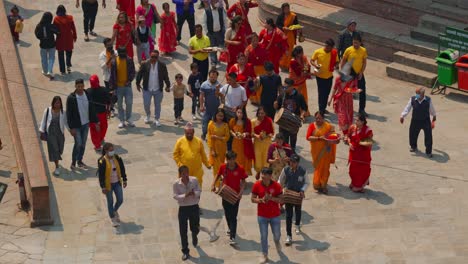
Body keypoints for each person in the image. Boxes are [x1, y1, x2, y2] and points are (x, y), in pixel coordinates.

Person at [211, 150, 246, 245]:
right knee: (227, 213)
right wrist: (213, 184)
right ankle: (230, 228)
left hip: (235, 195)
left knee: (233, 216)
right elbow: (217, 175)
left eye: (233, 159)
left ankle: (233, 237)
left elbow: (243, 181)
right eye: (229, 160)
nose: (231, 162)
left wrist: (241, 193)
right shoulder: (223, 167)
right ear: (227, 159)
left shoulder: (240, 168)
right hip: (225, 193)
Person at [251, 167, 283, 264]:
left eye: (265, 176)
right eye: (262, 176)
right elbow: (252, 199)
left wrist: (271, 198)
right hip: (262, 216)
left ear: (270, 176)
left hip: (275, 215)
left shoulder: (277, 186)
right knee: (263, 236)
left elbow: (281, 200)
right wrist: (261, 200)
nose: (263, 178)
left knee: (277, 235)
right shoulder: (257, 185)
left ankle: (277, 241)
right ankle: (265, 254)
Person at [66, 79, 99, 170]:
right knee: (78, 143)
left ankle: (79, 160)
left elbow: (92, 108)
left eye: (81, 86)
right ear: (75, 86)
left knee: (83, 144)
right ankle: (73, 162)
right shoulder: (71, 98)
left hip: (86, 124)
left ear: (84, 86)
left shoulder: (87, 94)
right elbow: (69, 114)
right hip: (76, 125)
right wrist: (71, 128)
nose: (80, 88)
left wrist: (96, 122)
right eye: (78, 86)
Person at [278, 154, 310, 245]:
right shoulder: (286, 170)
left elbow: (307, 182)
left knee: (298, 210)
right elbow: (280, 181)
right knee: (289, 215)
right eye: (291, 161)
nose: (292, 163)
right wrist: (281, 190)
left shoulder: (303, 171)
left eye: (294, 162)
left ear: (298, 163)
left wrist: (303, 190)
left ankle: (297, 225)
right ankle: (289, 235)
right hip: (288, 194)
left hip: (298, 195)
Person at [136, 49, 170, 126]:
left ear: (158, 57)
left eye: (155, 57)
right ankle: (148, 115)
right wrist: (137, 84)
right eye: (152, 57)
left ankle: (157, 119)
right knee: (146, 104)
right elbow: (139, 74)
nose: (153, 58)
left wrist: (168, 85)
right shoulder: (144, 64)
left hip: (158, 89)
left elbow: (166, 76)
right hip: (147, 89)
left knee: (158, 105)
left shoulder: (162, 65)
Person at [173, 165, 201, 261]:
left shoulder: (194, 180)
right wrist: (185, 195)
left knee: (196, 227)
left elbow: (199, 190)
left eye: (187, 173)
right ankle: (185, 251)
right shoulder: (176, 184)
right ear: (180, 174)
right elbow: (175, 196)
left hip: (194, 207)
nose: (186, 175)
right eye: (183, 173)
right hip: (183, 209)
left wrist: (194, 193)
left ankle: (194, 234)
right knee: (183, 231)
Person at [306, 111, 337, 194]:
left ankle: (324, 185)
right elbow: (308, 137)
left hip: (326, 151)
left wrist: (334, 140)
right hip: (316, 151)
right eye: (316, 118)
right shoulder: (312, 126)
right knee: (318, 167)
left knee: (325, 168)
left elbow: (333, 136)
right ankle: (317, 183)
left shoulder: (328, 126)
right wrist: (319, 138)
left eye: (320, 118)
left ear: (323, 119)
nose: (318, 120)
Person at [400, 87, 436, 158]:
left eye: (418, 94)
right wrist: (402, 116)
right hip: (415, 120)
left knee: (428, 136)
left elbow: (432, 110)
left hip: (425, 121)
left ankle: (428, 152)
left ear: (422, 94)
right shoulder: (412, 99)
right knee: (412, 134)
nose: (416, 95)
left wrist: (433, 118)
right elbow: (407, 108)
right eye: (416, 93)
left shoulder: (428, 100)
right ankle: (413, 146)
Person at [274, 78, 307, 152]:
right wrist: (275, 105)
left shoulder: (299, 96)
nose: (284, 88)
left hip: (293, 122)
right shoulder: (282, 95)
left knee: (293, 139)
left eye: (286, 87)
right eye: (284, 87)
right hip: (283, 122)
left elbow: (304, 108)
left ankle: (292, 154)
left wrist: (302, 115)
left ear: (292, 87)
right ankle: (284, 154)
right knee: (283, 140)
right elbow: (277, 107)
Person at [98, 142, 127, 227]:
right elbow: (101, 176)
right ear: (106, 151)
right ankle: (112, 218)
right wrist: (103, 187)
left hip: (117, 182)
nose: (112, 151)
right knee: (110, 201)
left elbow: (122, 169)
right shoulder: (102, 161)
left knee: (120, 199)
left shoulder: (117, 158)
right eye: (110, 150)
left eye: (113, 150)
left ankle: (114, 210)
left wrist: (124, 179)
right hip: (108, 185)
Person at [173, 122, 211, 187]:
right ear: (185, 133)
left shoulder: (198, 141)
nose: (189, 135)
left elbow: (203, 154)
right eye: (188, 133)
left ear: (194, 133)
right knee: (185, 188)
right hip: (185, 171)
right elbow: (175, 155)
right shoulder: (179, 141)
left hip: (197, 170)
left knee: (197, 188)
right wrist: (180, 165)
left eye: (191, 133)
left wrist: (207, 164)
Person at [340, 34, 368, 116]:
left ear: (360, 42)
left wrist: (361, 72)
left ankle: (361, 110)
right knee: (346, 92)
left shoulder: (363, 50)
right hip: (349, 73)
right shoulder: (348, 50)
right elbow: (343, 61)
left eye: (356, 43)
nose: (355, 44)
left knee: (362, 91)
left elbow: (364, 63)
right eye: (354, 43)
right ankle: (344, 108)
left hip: (358, 74)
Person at [109, 47, 136, 128]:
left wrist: (129, 80)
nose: (123, 54)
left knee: (129, 103)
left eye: (124, 52)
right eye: (121, 53)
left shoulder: (129, 60)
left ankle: (129, 118)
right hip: (118, 87)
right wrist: (112, 88)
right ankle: (122, 120)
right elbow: (112, 75)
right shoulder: (114, 62)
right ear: (118, 53)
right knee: (120, 104)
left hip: (127, 86)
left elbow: (133, 72)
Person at [311, 38, 339, 115]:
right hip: (320, 77)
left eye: (330, 47)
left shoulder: (334, 53)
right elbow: (312, 60)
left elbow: (337, 62)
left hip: (329, 76)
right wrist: (315, 65)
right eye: (327, 46)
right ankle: (321, 111)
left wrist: (336, 66)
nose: (328, 49)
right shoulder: (318, 52)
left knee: (326, 93)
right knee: (321, 93)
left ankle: (323, 108)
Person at [39, 96, 66, 176]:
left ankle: (57, 158)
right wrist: (42, 131)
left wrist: (71, 129)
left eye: (59, 102)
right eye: (56, 102)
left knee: (60, 149)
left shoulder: (63, 112)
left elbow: (66, 122)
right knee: (55, 149)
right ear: (53, 103)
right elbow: (43, 121)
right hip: (51, 133)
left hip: (60, 133)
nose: (57, 104)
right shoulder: (47, 110)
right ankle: (57, 166)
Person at [347, 114, 373, 192]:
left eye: (357, 120)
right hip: (354, 153)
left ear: (362, 122)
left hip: (363, 154)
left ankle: (359, 187)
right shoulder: (352, 128)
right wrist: (349, 143)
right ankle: (354, 183)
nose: (355, 122)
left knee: (361, 171)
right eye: (355, 120)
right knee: (352, 170)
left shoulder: (368, 130)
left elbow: (369, 142)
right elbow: (348, 137)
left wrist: (362, 143)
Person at [87, 75, 110, 151]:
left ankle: (98, 142)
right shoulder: (103, 90)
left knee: (97, 129)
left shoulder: (88, 92)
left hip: (98, 114)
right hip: (97, 114)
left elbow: (108, 101)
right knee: (101, 128)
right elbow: (109, 101)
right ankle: (98, 142)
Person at [229, 107, 254, 175]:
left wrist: (244, 134)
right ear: (236, 113)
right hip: (235, 143)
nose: (240, 114)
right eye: (238, 112)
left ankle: (243, 176)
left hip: (244, 144)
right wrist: (234, 134)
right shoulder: (233, 120)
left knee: (243, 159)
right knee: (236, 158)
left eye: (241, 113)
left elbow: (249, 132)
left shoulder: (247, 121)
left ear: (244, 113)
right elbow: (230, 129)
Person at [207, 109, 230, 182]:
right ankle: (216, 182)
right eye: (219, 115)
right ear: (215, 115)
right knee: (216, 167)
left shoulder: (225, 125)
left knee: (221, 165)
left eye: (222, 116)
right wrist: (212, 150)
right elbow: (209, 138)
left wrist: (217, 137)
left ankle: (220, 179)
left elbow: (227, 137)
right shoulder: (211, 124)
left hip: (222, 148)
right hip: (214, 147)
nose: (220, 117)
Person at [53, 5, 77, 75]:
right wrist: (75, 37)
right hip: (68, 38)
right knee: (69, 53)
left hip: (60, 39)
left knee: (61, 55)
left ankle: (63, 70)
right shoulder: (70, 18)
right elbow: (73, 28)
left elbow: (54, 28)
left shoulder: (56, 19)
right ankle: (68, 65)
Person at [203, 0, 227, 67]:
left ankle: (219, 60)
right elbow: (204, 22)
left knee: (220, 47)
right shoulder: (206, 11)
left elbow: (225, 20)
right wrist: (207, 32)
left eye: (217, 1)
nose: (216, 3)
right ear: (211, 2)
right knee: (213, 48)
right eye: (214, 1)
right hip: (211, 33)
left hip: (220, 33)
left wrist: (225, 30)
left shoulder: (221, 9)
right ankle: (213, 62)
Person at [35, 12, 59, 80]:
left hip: (43, 45)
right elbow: (58, 32)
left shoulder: (39, 26)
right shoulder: (51, 26)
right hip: (51, 45)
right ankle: (50, 71)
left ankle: (45, 71)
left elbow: (37, 35)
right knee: (51, 58)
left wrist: (42, 38)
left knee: (44, 58)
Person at [244, 33, 268, 104]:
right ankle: (254, 99)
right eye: (253, 40)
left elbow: (266, 59)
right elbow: (245, 60)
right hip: (252, 69)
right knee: (253, 85)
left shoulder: (262, 47)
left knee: (260, 86)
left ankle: (260, 99)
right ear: (251, 41)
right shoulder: (248, 49)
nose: (255, 42)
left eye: (256, 40)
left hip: (261, 69)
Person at [276, 3, 300, 72]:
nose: (287, 10)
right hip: (282, 35)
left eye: (288, 8)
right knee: (283, 50)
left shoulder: (293, 16)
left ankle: (287, 65)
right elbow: (277, 25)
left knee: (289, 50)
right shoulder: (280, 16)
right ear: (283, 9)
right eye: (285, 9)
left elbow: (297, 25)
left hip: (290, 35)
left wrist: (294, 27)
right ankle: (282, 64)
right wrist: (283, 28)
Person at [252, 107, 274, 179]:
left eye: (262, 113)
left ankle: (265, 174)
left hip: (267, 143)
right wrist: (257, 136)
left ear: (265, 114)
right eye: (259, 113)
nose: (261, 115)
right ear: (257, 113)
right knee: (258, 158)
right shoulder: (253, 121)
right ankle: (258, 171)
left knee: (266, 159)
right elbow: (251, 133)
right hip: (257, 143)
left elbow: (272, 132)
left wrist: (267, 135)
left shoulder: (269, 120)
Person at [200, 69, 222, 140]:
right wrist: (201, 106)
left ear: (217, 77)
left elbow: (221, 96)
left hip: (216, 110)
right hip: (207, 109)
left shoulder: (219, 85)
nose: (213, 78)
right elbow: (201, 96)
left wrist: (218, 90)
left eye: (214, 77)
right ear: (209, 76)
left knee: (214, 125)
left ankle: (212, 137)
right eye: (211, 77)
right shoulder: (204, 85)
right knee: (205, 124)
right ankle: (204, 133)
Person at [289, 45, 311, 110]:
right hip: (295, 84)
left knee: (303, 97)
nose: (302, 54)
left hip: (302, 82)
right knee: (296, 99)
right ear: (296, 53)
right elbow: (299, 74)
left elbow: (307, 65)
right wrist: (307, 72)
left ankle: (304, 112)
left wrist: (305, 71)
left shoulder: (303, 58)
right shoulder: (293, 62)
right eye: (300, 53)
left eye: (302, 52)